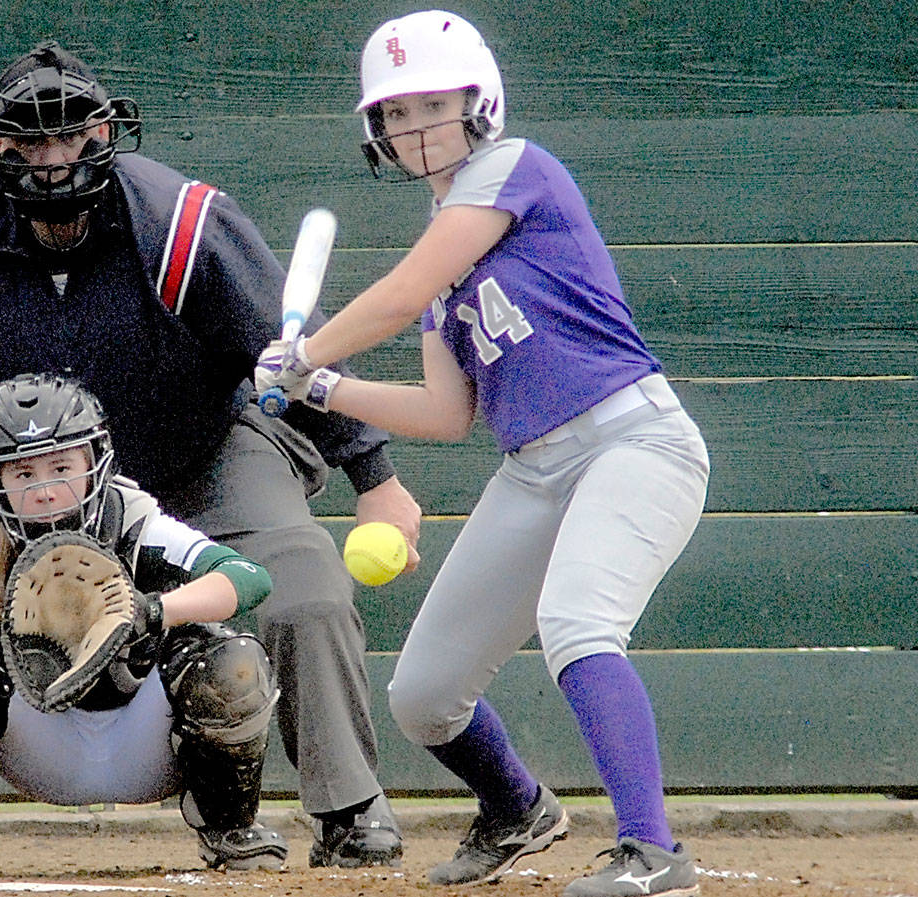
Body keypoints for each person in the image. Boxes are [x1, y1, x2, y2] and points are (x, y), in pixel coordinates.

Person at [0, 39, 420, 874]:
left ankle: (349, 802)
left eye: (71, 137)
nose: (52, 160)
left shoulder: (185, 223)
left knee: (306, 579)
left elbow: (288, 358)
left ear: (107, 132)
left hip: (196, 449)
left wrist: (377, 476)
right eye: (29, 142)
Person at [255, 10, 708, 897]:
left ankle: (654, 851)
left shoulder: (515, 168)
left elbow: (402, 288)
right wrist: (320, 391)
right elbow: (444, 410)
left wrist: (310, 355)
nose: (412, 126)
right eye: (393, 112)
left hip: (634, 439)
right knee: (422, 694)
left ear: (479, 103)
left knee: (580, 622)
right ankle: (516, 808)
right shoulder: (445, 259)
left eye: (432, 104)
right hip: (534, 468)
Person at [0, 373, 288, 874]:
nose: (44, 490)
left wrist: (152, 611)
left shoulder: (134, 518)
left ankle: (230, 828)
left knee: (233, 663)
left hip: (147, 740)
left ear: (94, 461)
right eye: (22, 473)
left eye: (61, 466)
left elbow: (249, 577)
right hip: (35, 742)